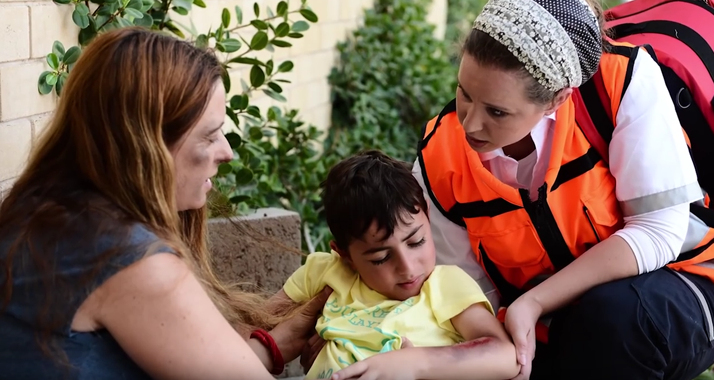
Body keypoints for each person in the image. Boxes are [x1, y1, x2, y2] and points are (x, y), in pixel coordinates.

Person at [0, 27, 329, 380]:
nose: (227, 153)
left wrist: (272, 346)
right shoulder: (121, 256)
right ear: (146, 146)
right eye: (210, 135)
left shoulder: (50, 217)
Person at [411, 0, 714, 379]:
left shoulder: (621, 82)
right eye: (464, 95)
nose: (470, 124)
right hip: (550, 325)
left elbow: (659, 231)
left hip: (680, 281)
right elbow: (468, 295)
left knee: (612, 322)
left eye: (497, 112)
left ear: (558, 98)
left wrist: (534, 302)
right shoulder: (438, 156)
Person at [275, 150, 520, 380]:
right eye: (380, 258)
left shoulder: (444, 285)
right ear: (345, 255)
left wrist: (415, 362)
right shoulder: (325, 272)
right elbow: (248, 334)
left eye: (416, 241)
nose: (407, 267)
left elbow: (505, 355)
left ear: (427, 217)